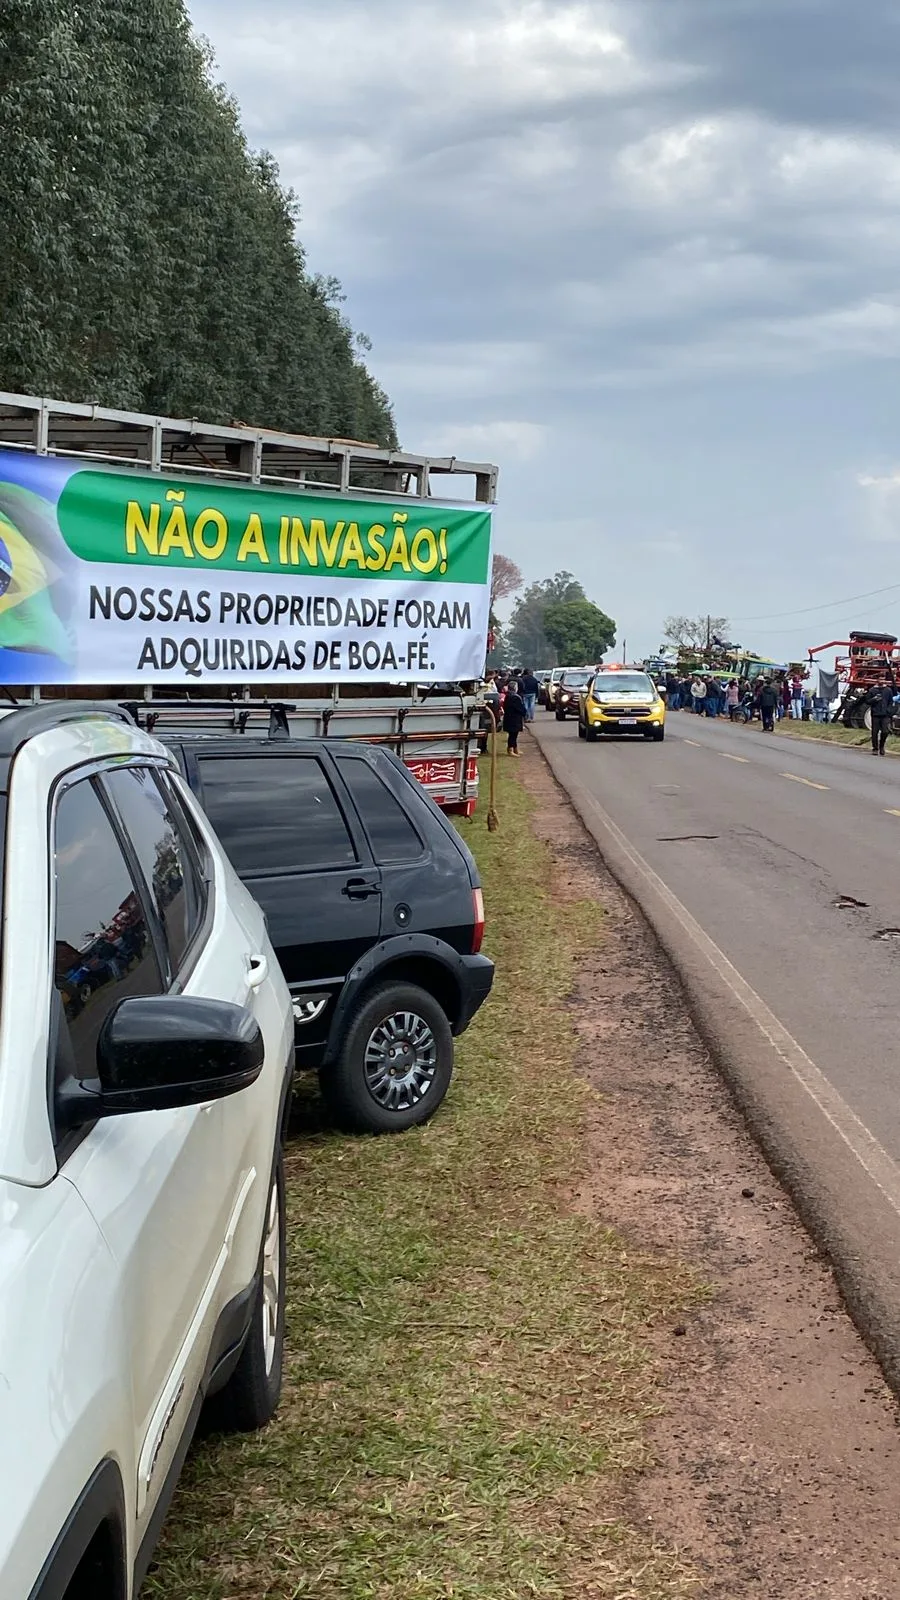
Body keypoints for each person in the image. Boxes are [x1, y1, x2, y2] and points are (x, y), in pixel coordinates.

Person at [867, 676, 895, 755]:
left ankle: (881, 746)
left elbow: (890, 701)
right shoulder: (872, 690)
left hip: (885, 714)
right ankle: (875, 748)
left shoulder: (888, 690)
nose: (882, 681)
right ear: (877, 680)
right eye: (880, 679)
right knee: (874, 732)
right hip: (875, 714)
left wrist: (888, 710)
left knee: (885, 731)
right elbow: (867, 701)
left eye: (883, 679)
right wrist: (874, 699)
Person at [503, 678, 526, 756]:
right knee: (512, 735)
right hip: (514, 719)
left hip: (510, 718)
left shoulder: (508, 696)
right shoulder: (515, 697)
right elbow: (520, 708)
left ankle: (515, 748)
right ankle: (510, 749)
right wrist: (524, 712)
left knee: (514, 735)